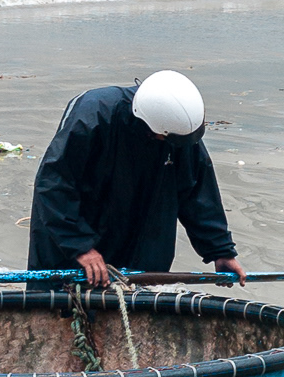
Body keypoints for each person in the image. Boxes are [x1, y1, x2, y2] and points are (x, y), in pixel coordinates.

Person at [27, 72, 246, 284]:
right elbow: (54, 185)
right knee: (63, 301)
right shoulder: (92, 116)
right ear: (148, 126)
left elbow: (198, 193)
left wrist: (221, 251)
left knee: (136, 299)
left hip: (142, 232)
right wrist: (80, 246)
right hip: (77, 228)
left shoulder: (178, 134)